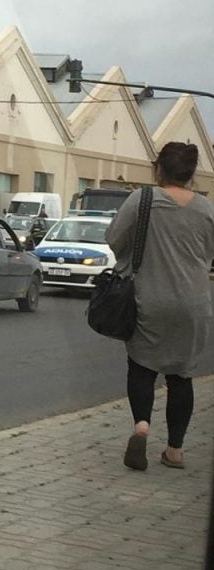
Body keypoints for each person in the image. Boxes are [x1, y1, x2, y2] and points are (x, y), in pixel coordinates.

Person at [106, 142, 214, 472]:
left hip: (148, 300)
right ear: (191, 173)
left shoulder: (143, 200)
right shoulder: (207, 209)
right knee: (181, 376)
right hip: (193, 304)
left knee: (141, 367)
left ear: (158, 169)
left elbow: (113, 238)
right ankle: (175, 451)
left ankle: (141, 426)